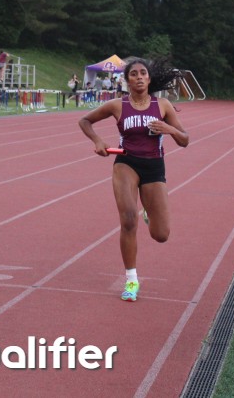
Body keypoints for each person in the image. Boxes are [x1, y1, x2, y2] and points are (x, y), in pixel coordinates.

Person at [77, 57, 189, 302]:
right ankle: (131, 280)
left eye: (143, 73)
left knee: (161, 234)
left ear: (149, 78)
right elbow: (84, 120)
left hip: (154, 166)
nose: (139, 77)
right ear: (127, 80)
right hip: (126, 163)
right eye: (134, 74)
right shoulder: (118, 105)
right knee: (128, 220)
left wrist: (169, 129)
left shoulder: (163, 105)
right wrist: (98, 141)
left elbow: (185, 140)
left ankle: (148, 210)